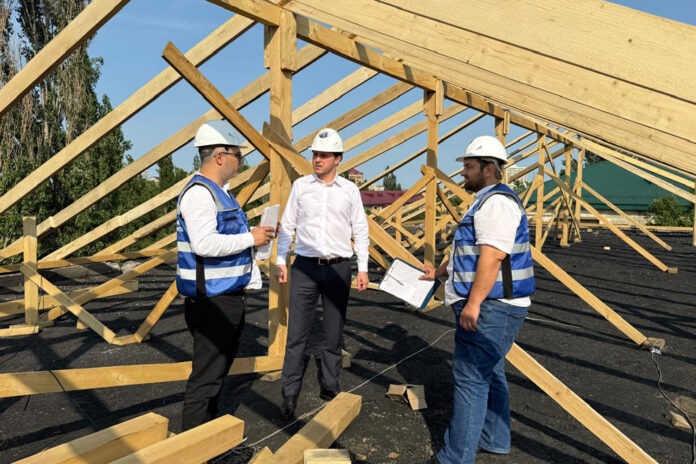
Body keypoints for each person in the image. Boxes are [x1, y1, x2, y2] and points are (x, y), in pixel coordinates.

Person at [420, 135, 535, 464]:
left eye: (469, 167)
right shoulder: (485, 201)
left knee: (470, 378)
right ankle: (494, 439)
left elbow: (492, 256)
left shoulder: (497, 204)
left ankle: (455, 458)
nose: (463, 173)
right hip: (492, 305)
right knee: (490, 371)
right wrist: (439, 272)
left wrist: (473, 304)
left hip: (491, 307)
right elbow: (467, 250)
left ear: (488, 168)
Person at [177, 119, 276, 431]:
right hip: (212, 302)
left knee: (216, 376)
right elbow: (204, 244)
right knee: (205, 379)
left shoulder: (222, 194)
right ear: (219, 156)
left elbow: (227, 238)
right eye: (237, 154)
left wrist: (255, 239)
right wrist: (250, 238)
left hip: (228, 296)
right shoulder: (200, 194)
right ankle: (192, 447)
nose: (240, 161)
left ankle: (210, 440)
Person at [275, 127, 370, 419]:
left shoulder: (349, 190)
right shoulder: (301, 187)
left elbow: (360, 230)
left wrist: (363, 268)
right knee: (297, 334)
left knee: (333, 332)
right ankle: (289, 393)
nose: (317, 159)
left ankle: (330, 386)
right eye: (315, 154)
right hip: (304, 267)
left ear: (338, 159)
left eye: (324, 155)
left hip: (338, 267)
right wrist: (280, 259)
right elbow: (287, 225)